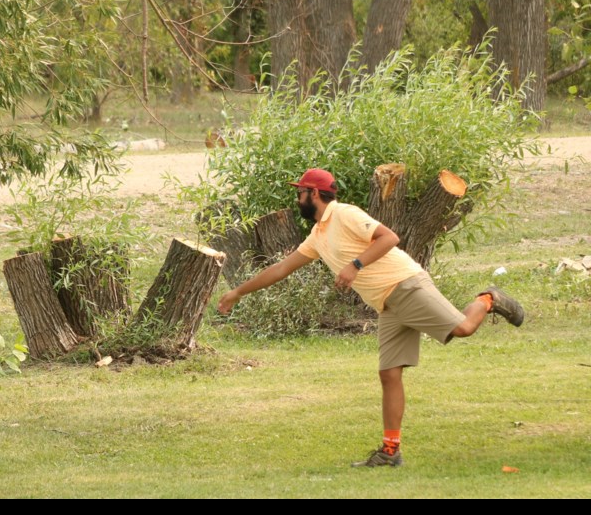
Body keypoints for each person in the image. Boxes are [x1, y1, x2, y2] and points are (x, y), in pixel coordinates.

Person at [216, 168, 524, 468]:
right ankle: (390, 451)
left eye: (300, 193)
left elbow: (389, 237)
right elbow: (281, 268)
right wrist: (237, 293)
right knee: (389, 375)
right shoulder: (318, 234)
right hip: (387, 304)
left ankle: (489, 299)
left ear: (313, 194)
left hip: (406, 284)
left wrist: (355, 265)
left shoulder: (345, 214)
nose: (297, 200)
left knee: (463, 327)